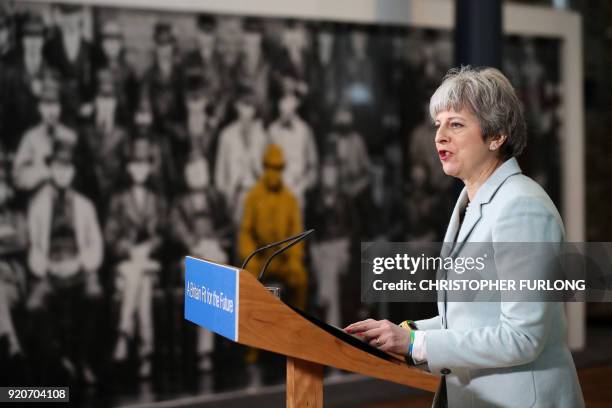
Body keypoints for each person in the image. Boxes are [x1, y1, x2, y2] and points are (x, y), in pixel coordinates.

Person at [344, 67, 584, 408]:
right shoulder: (471, 201)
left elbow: (523, 336)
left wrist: (417, 345)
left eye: (456, 124)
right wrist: (406, 331)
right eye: (437, 124)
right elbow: (471, 316)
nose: (440, 136)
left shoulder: (522, 208)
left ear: (496, 135)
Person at [26, 139, 103, 384]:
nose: (62, 173)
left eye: (67, 167)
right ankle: (59, 359)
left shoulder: (84, 205)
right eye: (58, 167)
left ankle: (80, 358)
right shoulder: (37, 205)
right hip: (50, 269)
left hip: (78, 266)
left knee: (93, 294)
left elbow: (95, 244)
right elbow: (34, 246)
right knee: (35, 305)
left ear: (73, 172)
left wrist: (80, 263)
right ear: (50, 169)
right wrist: (48, 267)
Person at [105, 136, 167, 379]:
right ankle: (145, 353)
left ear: (150, 167)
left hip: (149, 262)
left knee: (139, 276)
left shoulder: (156, 200)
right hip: (127, 264)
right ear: (128, 168)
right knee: (138, 281)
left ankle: (124, 334)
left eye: (144, 164)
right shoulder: (118, 200)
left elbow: (162, 234)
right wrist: (129, 250)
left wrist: (149, 247)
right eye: (134, 164)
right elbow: (109, 236)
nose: (139, 169)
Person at [13, 71, 77, 192]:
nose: (51, 112)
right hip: (38, 198)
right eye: (47, 105)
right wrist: (44, 173)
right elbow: (18, 176)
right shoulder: (30, 138)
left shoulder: (70, 137)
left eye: (55, 105)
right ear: (39, 108)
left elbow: (79, 175)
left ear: (61, 108)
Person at [214, 86, 268, 225]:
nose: (247, 111)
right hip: (236, 196)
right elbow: (220, 174)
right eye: (244, 106)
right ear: (236, 106)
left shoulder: (262, 135)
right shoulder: (227, 135)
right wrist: (228, 194)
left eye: (251, 107)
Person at [268, 91, 318, 209]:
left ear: (295, 110)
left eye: (289, 112)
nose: (285, 115)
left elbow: (313, 163)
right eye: (282, 112)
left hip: (298, 192)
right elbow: (265, 161)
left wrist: (304, 185)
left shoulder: (305, 130)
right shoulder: (272, 130)